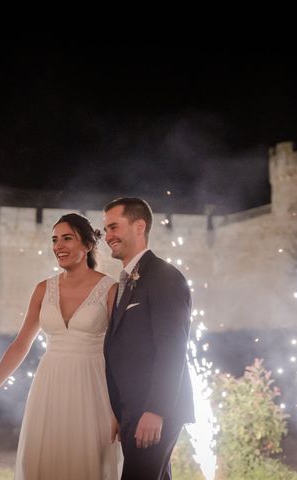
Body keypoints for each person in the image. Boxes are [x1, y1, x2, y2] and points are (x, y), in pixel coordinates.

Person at [0, 213, 122, 479]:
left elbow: (120, 352)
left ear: (87, 245)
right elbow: (20, 345)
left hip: (93, 387)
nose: (58, 246)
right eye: (54, 240)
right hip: (49, 385)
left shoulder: (110, 289)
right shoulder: (43, 289)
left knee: (87, 464)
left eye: (67, 238)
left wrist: (119, 409)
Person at [103, 197, 195, 480]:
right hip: (133, 409)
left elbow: (172, 348)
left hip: (156, 410)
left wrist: (156, 410)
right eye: (105, 230)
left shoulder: (164, 277)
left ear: (139, 226)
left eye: (114, 227)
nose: (107, 237)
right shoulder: (127, 280)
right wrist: (121, 410)